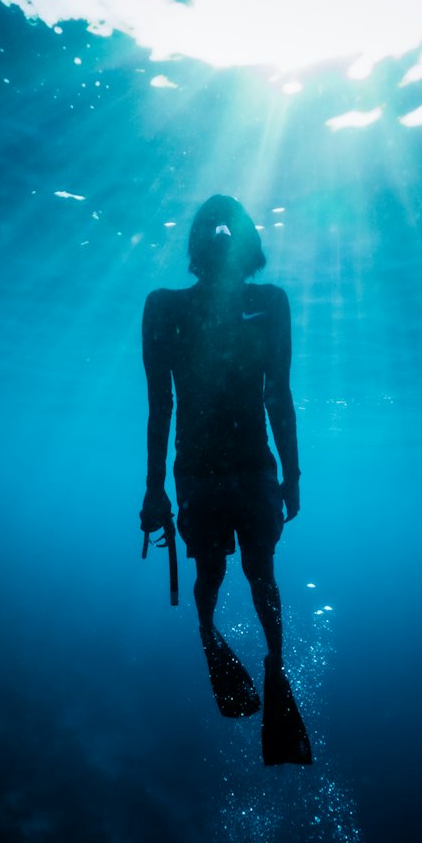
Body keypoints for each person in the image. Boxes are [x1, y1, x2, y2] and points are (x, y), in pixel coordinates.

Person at [140, 195, 312, 765]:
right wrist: (290, 474)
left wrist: (291, 472)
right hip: (225, 470)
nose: (218, 236)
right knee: (242, 569)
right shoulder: (176, 308)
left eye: (225, 229)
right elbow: (162, 404)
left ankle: (239, 649)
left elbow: (275, 394)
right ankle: (241, 650)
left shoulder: (175, 308)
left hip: (215, 470)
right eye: (214, 229)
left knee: (240, 569)